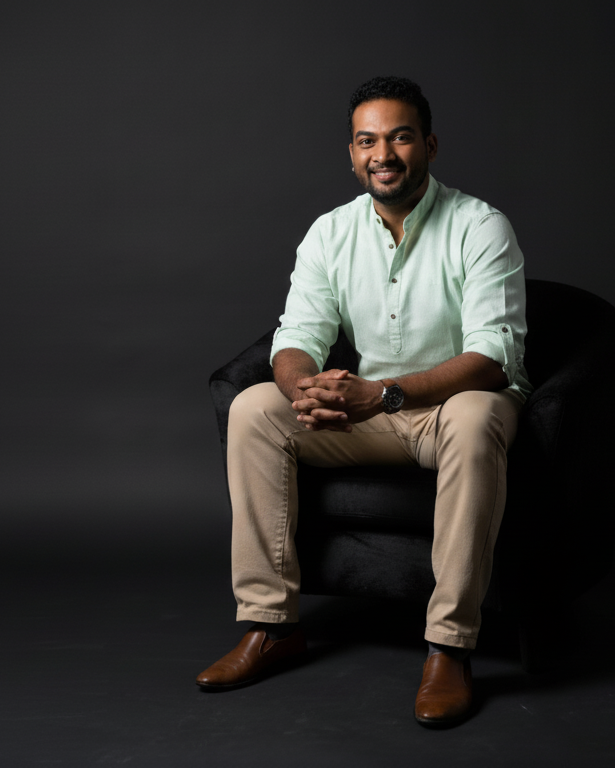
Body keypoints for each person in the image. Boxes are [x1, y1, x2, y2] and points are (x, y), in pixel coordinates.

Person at [196, 76, 532, 727]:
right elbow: (295, 338)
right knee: (255, 408)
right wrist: (306, 388)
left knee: (477, 411)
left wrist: (383, 393)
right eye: (367, 140)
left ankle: (448, 646)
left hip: (446, 411)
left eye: (400, 136)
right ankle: (270, 626)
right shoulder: (329, 233)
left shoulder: (480, 226)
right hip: (370, 415)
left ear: (428, 146)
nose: (383, 153)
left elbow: (492, 358)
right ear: (351, 155)